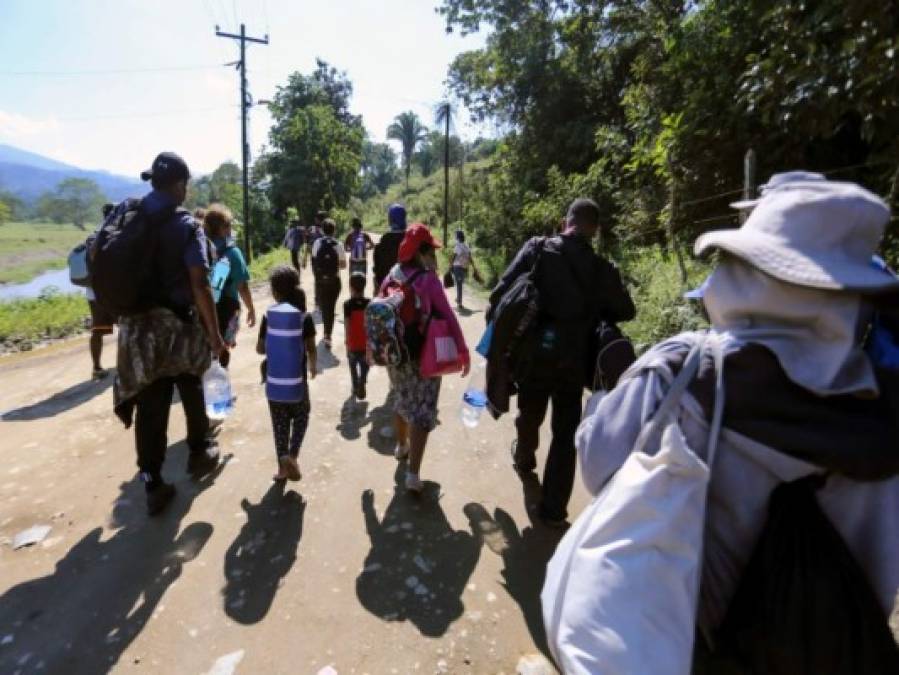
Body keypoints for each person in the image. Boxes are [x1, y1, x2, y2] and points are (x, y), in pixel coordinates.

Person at [570, 176, 899, 668]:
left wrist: (596, 410)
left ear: (751, 277)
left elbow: (598, 468)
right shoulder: (884, 403)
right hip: (837, 650)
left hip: (699, 643)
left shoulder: (688, 369)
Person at [488, 197, 635, 527]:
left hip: (534, 356)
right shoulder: (601, 268)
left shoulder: (538, 250)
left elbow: (501, 293)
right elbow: (626, 310)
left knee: (530, 411)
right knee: (565, 432)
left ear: (564, 221)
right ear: (594, 230)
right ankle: (553, 508)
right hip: (574, 359)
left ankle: (524, 456)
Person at [112, 152, 225, 516]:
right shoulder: (186, 225)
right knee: (191, 381)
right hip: (175, 325)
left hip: (135, 330)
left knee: (150, 403)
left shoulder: (129, 214)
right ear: (179, 185)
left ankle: (152, 481)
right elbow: (200, 284)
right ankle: (199, 451)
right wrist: (216, 335)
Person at [383, 222, 470, 494]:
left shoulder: (391, 276)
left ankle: (401, 446)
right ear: (421, 252)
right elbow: (448, 315)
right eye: (431, 249)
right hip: (424, 355)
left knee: (400, 397)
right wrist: (463, 351)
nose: (434, 255)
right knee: (422, 412)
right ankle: (413, 475)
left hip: (396, 354)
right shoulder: (428, 279)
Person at [256, 265, 317, 482]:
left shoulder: (268, 316)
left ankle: (282, 466)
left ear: (275, 292)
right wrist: (313, 366)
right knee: (301, 416)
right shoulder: (303, 317)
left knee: (279, 425)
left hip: (274, 384)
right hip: (298, 382)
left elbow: (260, 349)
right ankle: (292, 455)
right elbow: (311, 347)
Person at [203, 204, 256, 368]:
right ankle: (220, 380)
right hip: (227, 307)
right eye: (229, 225)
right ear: (223, 228)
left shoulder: (199, 247)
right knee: (223, 348)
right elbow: (242, 286)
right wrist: (251, 308)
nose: (230, 229)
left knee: (207, 347)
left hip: (203, 305)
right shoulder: (232, 253)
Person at [85, 202, 116, 379]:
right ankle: (127, 364)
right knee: (126, 327)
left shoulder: (92, 236)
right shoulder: (115, 234)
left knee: (97, 330)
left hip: (93, 293)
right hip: (114, 291)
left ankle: (96, 367)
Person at [311, 218, 346, 348]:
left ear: (321, 230)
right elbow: (343, 266)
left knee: (326, 307)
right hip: (334, 281)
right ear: (334, 230)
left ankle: (327, 334)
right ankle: (327, 335)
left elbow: (314, 262)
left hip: (320, 282)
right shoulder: (338, 245)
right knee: (330, 308)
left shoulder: (317, 243)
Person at [343, 272, 370, 400]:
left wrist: (347, 341)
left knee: (352, 365)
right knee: (365, 365)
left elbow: (347, 325)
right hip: (365, 343)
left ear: (350, 287)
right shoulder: (369, 303)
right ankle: (362, 381)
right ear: (365, 286)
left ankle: (355, 385)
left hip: (353, 342)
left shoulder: (347, 304)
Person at [373, 203, 407, 291]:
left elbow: (378, 275)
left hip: (387, 294)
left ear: (390, 220)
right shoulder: (411, 242)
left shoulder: (380, 246)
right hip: (408, 293)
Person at [449, 229, 480, 309]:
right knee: (459, 283)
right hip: (464, 267)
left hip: (457, 267)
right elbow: (470, 258)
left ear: (458, 237)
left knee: (458, 284)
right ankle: (458, 299)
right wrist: (474, 266)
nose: (455, 237)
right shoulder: (466, 246)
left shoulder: (458, 246)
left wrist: (450, 265)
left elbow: (454, 256)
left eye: (456, 235)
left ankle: (459, 302)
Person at [344, 217, 374, 282]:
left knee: (352, 280)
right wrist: (365, 248)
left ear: (353, 226)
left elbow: (345, 249)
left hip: (353, 261)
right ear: (360, 226)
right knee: (362, 280)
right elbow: (372, 246)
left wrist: (352, 249)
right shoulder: (365, 235)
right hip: (362, 261)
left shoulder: (349, 235)